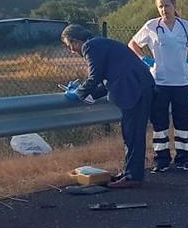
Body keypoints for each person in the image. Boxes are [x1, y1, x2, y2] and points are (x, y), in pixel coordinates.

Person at [61, 24, 155, 189]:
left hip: (133, 89)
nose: (72, 51)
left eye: (70, 46)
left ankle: (133, 176)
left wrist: (78, 94)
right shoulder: (101, 43)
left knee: (132, 134)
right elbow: (107, 79)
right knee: (132, 133)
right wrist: (88, 94)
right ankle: (130, 172)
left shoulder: (90, 46)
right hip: (139, 86)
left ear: (76, 41)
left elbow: (94, 77)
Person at [129, 0, 188, 172]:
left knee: (182, 121)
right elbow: (133, 44)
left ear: (174, 7)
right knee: (159, 121)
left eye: (167, 5)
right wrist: (144, 59)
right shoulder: (151, 26)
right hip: (159, 82)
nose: (164, 9)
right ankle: (161, 158)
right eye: (161, 7)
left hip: (181, 82)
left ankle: (183, 157)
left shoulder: (185, 27)